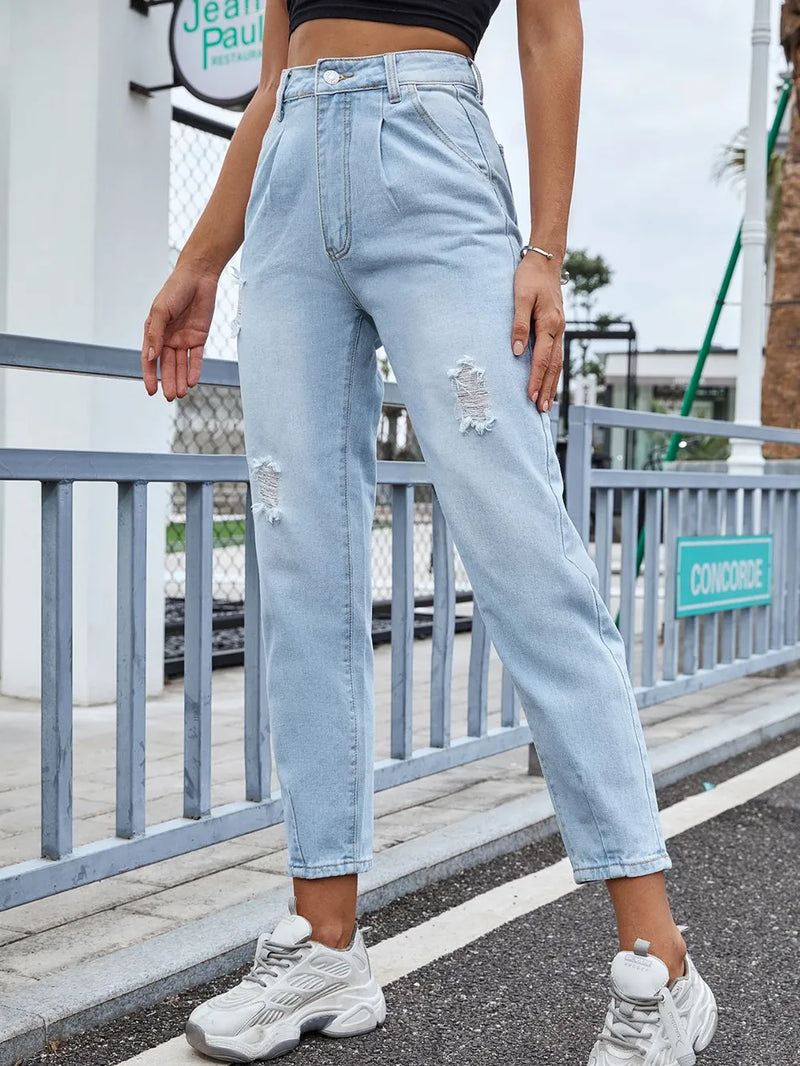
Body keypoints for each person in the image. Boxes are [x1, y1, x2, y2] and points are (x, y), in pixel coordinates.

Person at [141, 1, 718, 1062]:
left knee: (523, 558)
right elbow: (273, 78)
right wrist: (200, 256)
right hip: (286, 184)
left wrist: (542, 246)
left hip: (431, 158)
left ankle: (659, 960)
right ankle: (324, 941)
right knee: (302, 561)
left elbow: (550, 29)